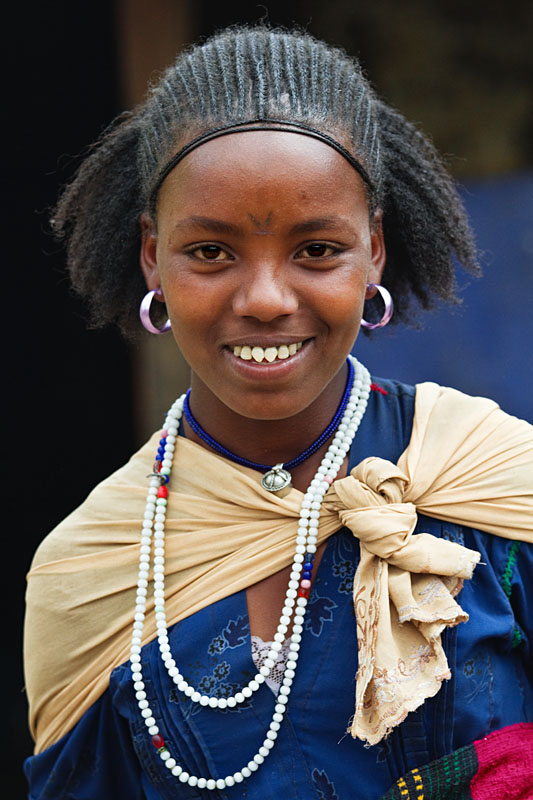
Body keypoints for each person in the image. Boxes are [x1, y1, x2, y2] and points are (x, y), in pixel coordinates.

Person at [23, 25, 533, 800]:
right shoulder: (92, 574)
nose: (265, 298)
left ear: (374, 250)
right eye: (210, 252)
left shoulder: (494, 483)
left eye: (317, 249)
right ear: (153, 255)